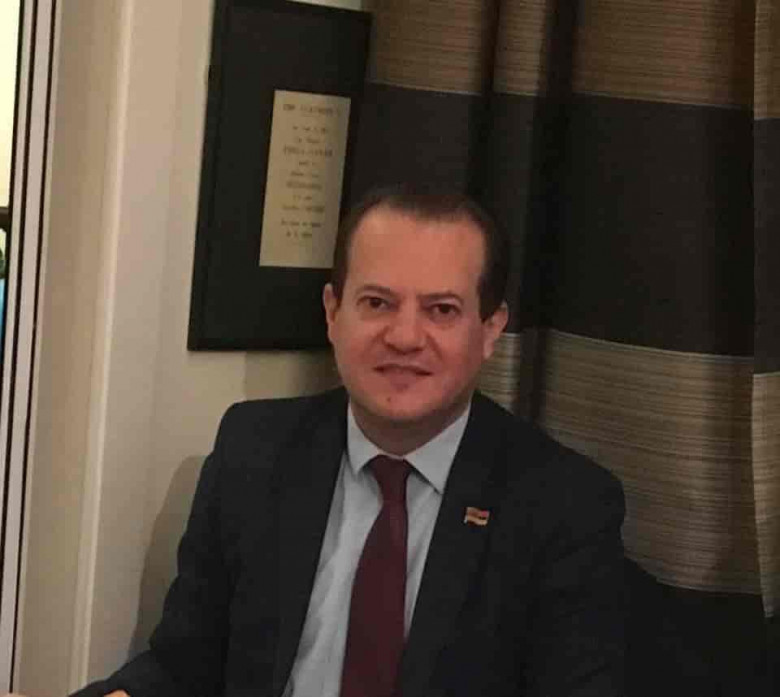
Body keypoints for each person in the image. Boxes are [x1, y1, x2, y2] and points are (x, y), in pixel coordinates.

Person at [46, 186, 627, 696]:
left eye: (441, 310)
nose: (404, 336)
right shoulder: (255, 450)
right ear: (333, 313)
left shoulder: (562, 504)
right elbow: (183, 668)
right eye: (377, 303)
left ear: (491, 329)